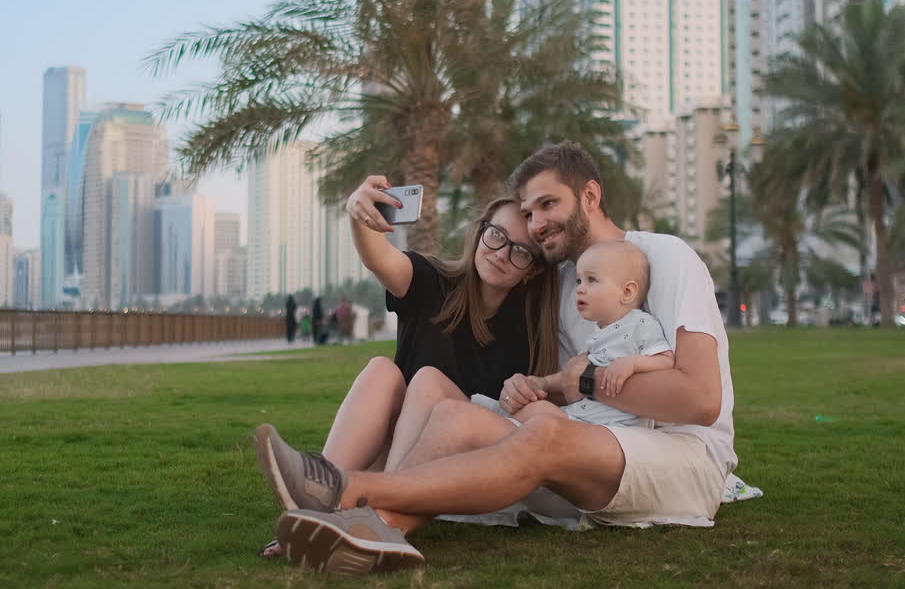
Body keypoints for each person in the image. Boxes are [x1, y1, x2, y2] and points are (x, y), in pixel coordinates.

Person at [256, 141, 736, 574]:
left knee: (546, 428)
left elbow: (700, 399)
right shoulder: (560, 284)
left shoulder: (663, 257)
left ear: (591, 196)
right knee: (453, 412)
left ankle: (342, 489)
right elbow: (559, 389)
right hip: (588, 447)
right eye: (529, 212)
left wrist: (579, 382)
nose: (537, 223)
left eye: (548, 204)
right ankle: (372, 528)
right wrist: (536, 386)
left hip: (680, 458)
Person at [254, 176, 560, 558]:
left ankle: (380, 519)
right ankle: (311, 511)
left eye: (520, 251)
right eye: (496, 235)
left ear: (531, 269)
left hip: (450, 457)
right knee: (383, 369)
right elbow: (378, 257)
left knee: (429, 380)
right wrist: (359, 214)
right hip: (392, 447)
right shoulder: (432, 282)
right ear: (480, 232)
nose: (501, 253)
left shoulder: (529, 328)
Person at [472, 240, 673, 430]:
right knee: (538, 410)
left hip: (614, 428)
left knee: (539, 413)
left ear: (627, 292)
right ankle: (499, 419)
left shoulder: (640, 323)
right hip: (583, 418)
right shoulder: (599, 332)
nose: (580, 289)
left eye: (591, 279)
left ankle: (497, 418)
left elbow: (666, 361)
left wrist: (632, 363)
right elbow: (571, 377)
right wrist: (543, 383)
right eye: (578, 281)